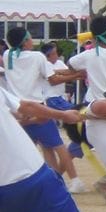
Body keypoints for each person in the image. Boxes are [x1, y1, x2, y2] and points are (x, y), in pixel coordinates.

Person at [2, 28, 86, 193]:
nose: (32, 40)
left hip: (18, 109)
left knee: (41, 148)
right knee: (57, 146)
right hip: (37, 107)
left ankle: (55, 181)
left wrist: (72, 75)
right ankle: (75, 180)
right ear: (25, 41)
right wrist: (75, 76)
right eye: (29, 38)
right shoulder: (38, 57)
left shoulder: (8, 55)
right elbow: (53, 80)